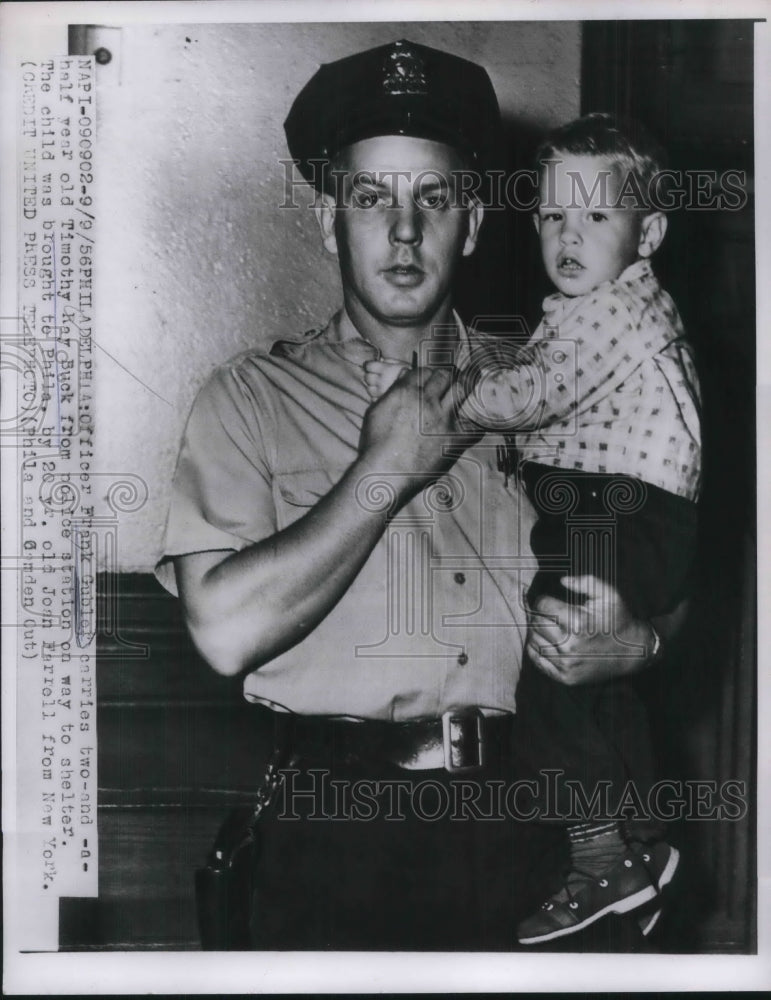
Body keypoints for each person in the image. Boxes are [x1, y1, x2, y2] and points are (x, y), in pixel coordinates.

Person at [155, 42, 682, 951]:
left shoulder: (554, 388)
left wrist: (643, 640)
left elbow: (663, 550)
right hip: (332, 842)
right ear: (330, 223)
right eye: (371, 199)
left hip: (536, 842)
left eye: (432, 199)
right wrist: (383, 470)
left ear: (472, 224)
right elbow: (223, 633)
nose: (403, 232)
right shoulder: (248, 400)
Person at [366, 112, 701, 945]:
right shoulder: (599, 310)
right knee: (589, 679)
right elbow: (546, 405)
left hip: (614, 509)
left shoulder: (606, 315)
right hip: (629, 509)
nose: (567, 235)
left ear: (649, 231)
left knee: (552, 659)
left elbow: (526, 399)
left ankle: (600, 853)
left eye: (594, 216)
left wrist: (448, 394)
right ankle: (636, 845)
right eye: (552, 215)